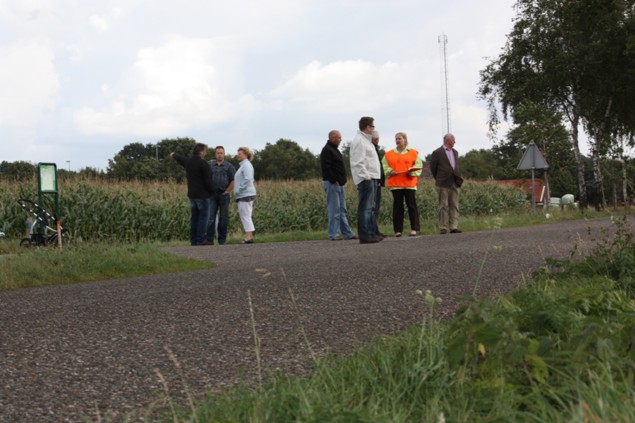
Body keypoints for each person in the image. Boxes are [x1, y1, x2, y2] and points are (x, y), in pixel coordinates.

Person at [170, 144, 215, 245]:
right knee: (203, 218)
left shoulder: (189, 162)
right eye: (205, 151)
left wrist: (174, 155)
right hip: (203, 195)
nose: (205, 153)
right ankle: (201, 239)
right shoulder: (203, 164)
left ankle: (193, 240)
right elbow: (208, 181)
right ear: (201, 152)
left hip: (192, 195)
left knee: (194, 218)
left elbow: (180, 159)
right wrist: (213, 191)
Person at [349, 116, 383, 244]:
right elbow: (358, 162)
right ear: (367, 127)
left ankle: (371, 233)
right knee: (365, 208)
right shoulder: (360, 141)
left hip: (372, 177)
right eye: (372, 126)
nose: (373, 129)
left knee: (371, 208)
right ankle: (365, 235)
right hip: (366, 178)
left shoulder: (366, 141)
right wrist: (366, 177)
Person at [382, 132, 422, 237]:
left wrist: (411, 172)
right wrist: (390, 171)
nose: (397, 140)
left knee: (412, 206)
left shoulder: (413, 152)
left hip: (409, 184)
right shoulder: (389, 154)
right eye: (396, 139)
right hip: (396, 184)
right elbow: (384, 166)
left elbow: (419, 165)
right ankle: (398, 230)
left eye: (399, 138)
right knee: (397, 207)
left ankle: (414, 228)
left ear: (405, 139)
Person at [320, 130, 358, 241]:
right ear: (332, 138)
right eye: (339, 138)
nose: (341, 140)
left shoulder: (335, 150)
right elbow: (326, 167)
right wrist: (334, 180)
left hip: (339, 184)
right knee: (334, 210)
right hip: (332, 184)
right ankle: (333, 234)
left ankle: (348, 233)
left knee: (342, 210)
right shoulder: (327, 150)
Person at [430, 133, 463, 234]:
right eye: (453, 140)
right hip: (443, 182)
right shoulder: (437, 152)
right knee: (443, 205)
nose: (455, 142)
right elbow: (433, 168)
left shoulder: (455, 152)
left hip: (454, 181)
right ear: (448, 140)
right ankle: (443, 227)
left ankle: (454, 226)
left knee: (454, 205)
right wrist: (439, 178)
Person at [206, 146, 236, 245]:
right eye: (218, 153)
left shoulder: (229, 166)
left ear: (224, 154)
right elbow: (205, 178)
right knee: (210, 218)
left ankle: (222, 240)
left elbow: (233, 180)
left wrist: (227, 191)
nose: (219, 155)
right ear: (215, 154)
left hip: (224, 195)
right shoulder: (210, 165)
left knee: (223, 218)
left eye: (221, 153)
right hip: (212, 195)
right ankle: (209, 240)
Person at [234, 146, 257, 243]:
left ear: (246, 155)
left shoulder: (246, 165)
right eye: (238, 153)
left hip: (245, 194)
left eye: (240, 154)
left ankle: (248, 237)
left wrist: (239, 189)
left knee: (245, 216)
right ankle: (249, 236)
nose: (238, 155)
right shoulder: (243, 165)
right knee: (246, 215)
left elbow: (248, 179)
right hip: (244, 194)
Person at [371, 130, 386, 238]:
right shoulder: (372, 149)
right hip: (375, 181)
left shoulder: (374, 148)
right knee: (373, 207)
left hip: (377, 181)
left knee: (375, 208)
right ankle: (373, 230)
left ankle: (375, 230)